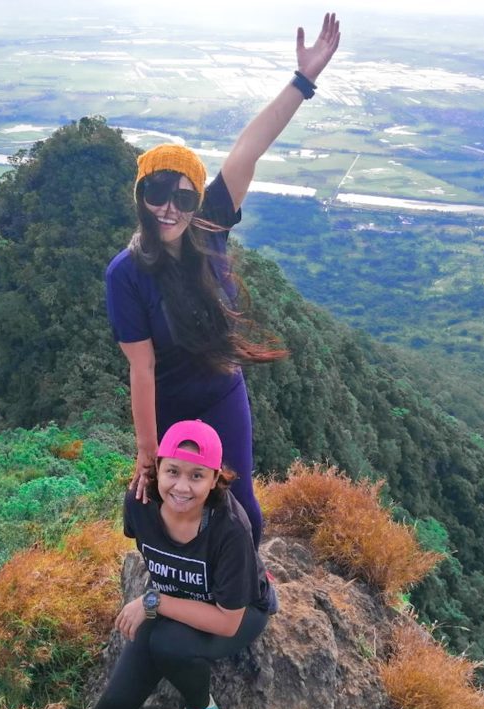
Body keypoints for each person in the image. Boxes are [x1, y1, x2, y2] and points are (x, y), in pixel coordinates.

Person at [105, 13, 342, 548]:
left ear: (197, 199)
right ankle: (174, 590)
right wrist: (147, 452)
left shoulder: (210, 223)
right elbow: (141, 370)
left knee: (240, 505)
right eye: (158, 194)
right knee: (169, 509)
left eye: (183, 197)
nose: (170, 209)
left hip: (220, 392)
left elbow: (248, 148)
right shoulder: (126, 273)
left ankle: (245, 592)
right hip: (166, 404)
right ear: (142, 196)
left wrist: (303, 81)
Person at [84, 420, 272, 709]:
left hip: (238, 612)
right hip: (173, 600)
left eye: (197, 476)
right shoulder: (139, 504)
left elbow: (228, 622)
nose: (182, 487)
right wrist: (160, 599)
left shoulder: (229, 529)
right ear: (157, 468)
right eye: (173, 471)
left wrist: (154, 601)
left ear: (215, 479)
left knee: (169, 642)